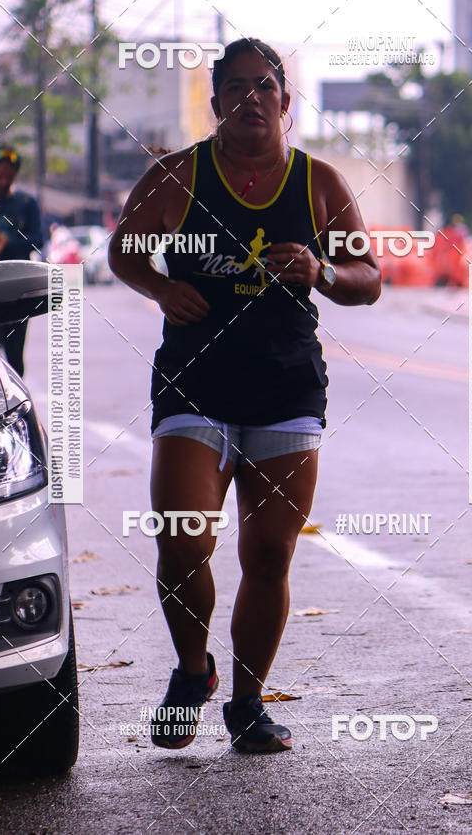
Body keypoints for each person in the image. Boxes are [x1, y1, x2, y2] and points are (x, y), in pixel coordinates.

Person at [108, 38, 382, 754]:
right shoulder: (178, 175)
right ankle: (191, 671)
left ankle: (247, 703)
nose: (251, 98)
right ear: (217, 102)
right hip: (194, 386)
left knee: (267, 556)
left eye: (265, 86)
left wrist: (321, 272)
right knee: (182, 538)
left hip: (286, 390)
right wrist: (162, 287)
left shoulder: (318, 182)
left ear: (286, 103)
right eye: (236, 87)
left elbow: (370, 279)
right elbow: (123, 249)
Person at [0, 145, 44, 376]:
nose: (4, 178)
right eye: (0, 173)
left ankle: (17, 409)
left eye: (10, 173)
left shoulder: (27, 204)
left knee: (15, 358)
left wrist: (4, 242)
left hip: (18, 292)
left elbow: (37, 239)